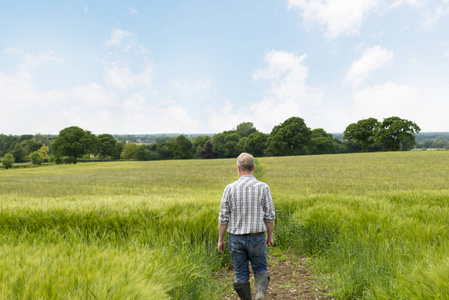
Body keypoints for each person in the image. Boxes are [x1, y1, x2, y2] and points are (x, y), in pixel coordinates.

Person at [218, 153, 275, 300]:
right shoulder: (263, 187)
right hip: (257, 237)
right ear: (253, 168)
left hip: (236, 238)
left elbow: (223, 218)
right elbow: (269, 216)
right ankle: (260, 295)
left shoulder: (229, 189)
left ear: (238, 168)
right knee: (261, 268)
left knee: (241, 273)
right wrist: (270, 236)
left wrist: (221, 240)